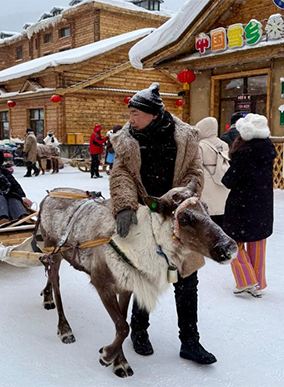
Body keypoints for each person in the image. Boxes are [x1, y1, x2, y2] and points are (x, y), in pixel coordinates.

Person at [110, 82, 216, 365]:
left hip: (180, 216)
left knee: (187, 280)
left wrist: (184, 194)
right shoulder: (127, 140)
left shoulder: (185, 138)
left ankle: (190, 342)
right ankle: (139, 331)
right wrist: (124, 207)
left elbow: (195, 172)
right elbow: (121, 175)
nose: (131, 119)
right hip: (147, 216)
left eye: (135, 113)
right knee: (146, 275)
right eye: (130, 113)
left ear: (153, 114)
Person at [222, 113, 276, 298]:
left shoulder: (244, 154)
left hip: (242, 205)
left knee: (232, 243)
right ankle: (258, 282)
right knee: (258, 243)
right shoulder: (268, 150)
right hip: (263, 204)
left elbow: (228, 180)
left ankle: (246, 280)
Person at [195, 117, 230, 228]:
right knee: (221, 221)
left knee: (209, 225)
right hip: (223, 187)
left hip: (207, 189)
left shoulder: (200, 146)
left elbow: (197, 168)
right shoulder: (224, 145)